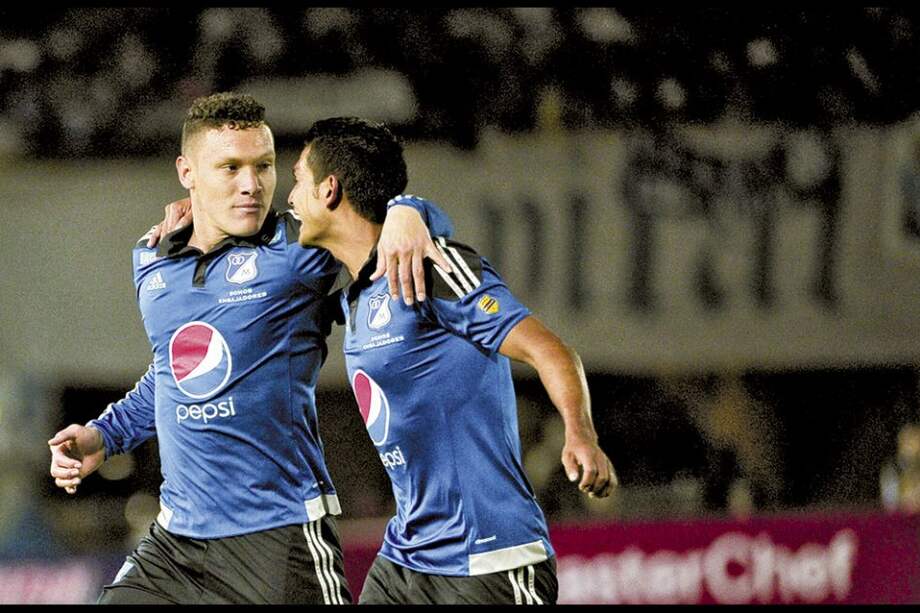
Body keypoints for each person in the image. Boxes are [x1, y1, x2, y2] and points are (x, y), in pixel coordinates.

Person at [46, 92, 454, 605]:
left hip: (278, 541)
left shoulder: (300, 247)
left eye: (263, 166)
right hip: (177, 543)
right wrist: (103, 435)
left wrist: (410, 211)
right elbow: (172, 373)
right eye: (230, 167)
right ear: (186, 172)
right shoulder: (151, 259)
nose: (251, 184)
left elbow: (401, 234)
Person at [288, 116, 616, 604]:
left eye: (297, 180)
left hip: (490, 560)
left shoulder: (431, 267)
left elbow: (548, 349)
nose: (290, 198)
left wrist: (580, 434)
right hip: (406, 558)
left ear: (329, 189)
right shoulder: (354, 296)